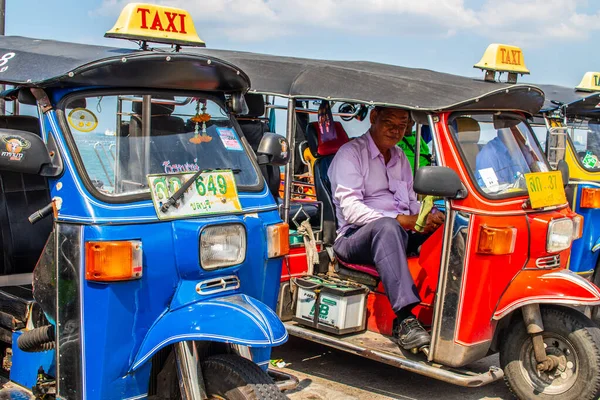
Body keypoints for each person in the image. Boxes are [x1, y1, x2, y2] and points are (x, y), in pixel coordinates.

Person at [328, 107, 445, 350]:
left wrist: (430, 216)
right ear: (373, 119)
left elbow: (412, 202)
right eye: (389, 123)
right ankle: (405, 320)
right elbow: (351, 210)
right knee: (387, 227)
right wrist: (401, 220)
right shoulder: (350, 154)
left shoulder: (400, 156)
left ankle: (446, 305)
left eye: (402, 125)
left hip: (399, 231)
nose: (396, 130)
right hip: (354, 238)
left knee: (451, 228)